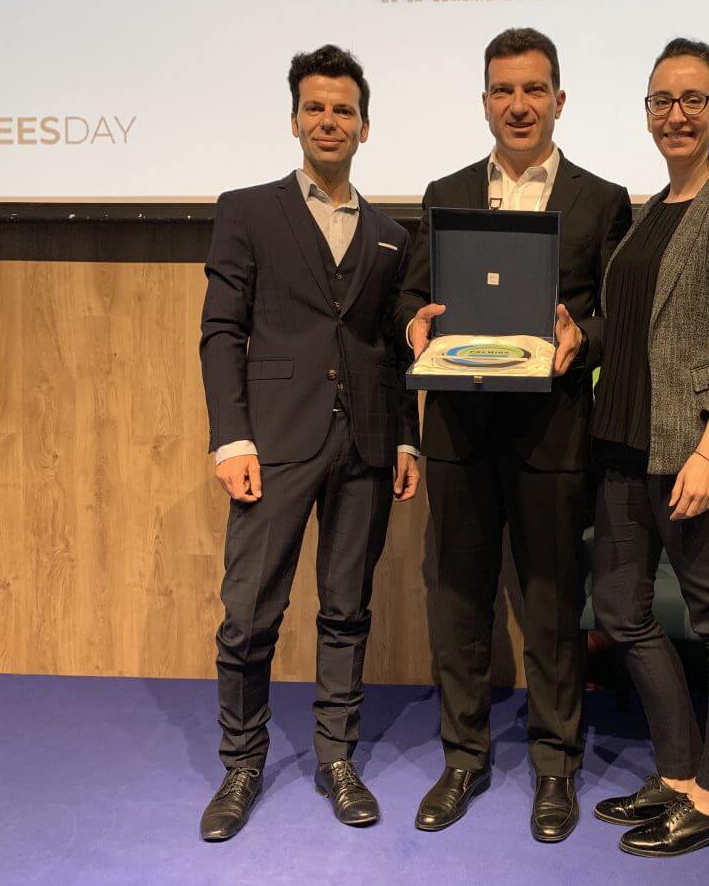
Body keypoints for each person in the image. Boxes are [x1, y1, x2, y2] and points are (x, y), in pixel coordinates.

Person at [397, 28, 632, 842]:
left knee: (552, 603)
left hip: (554, 432)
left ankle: (555, 767)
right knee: (457, 598)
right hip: (459, 431)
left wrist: (583, 340)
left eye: (534, 90)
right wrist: (415, 324)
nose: (518, 105)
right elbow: (411, 298)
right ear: (486, 101)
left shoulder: (602, 200)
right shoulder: (445, 190)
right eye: (503, 90)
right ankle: (462, 759)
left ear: (559, 99)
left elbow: (617, 319)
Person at [197, 45, 420, 841]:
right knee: (249, 613)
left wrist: (405, 442)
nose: (330, 121)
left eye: (345, 110)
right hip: (274, 443)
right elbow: (221, 331)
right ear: (296, 119)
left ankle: (336, 757)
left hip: (364, 444)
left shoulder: (394, 234)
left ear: (365, 125)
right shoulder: (247, 210)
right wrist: (232, 440)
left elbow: (394, 349)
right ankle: (242, 764)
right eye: (316, 108)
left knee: (346, 609)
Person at [584, 37, 709, 858]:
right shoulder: (647, 211)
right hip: (621, 447)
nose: (676, 113)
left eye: (693, 98)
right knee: (623, 614)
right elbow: (629, 333)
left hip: (690, 457)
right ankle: (674, 769)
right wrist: (575, 333)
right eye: (662, 99)